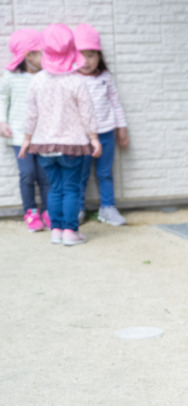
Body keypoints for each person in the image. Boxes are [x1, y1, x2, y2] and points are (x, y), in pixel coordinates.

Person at [20, 23, 100, 246]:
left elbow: (30, 113)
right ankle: (70, 232)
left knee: (55, 188)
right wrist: (94, 138)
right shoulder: (76, 81)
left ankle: (56, 230)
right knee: (71, 189)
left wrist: (27, 139)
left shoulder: (37, 81)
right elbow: (87, 113)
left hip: (44, 146)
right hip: (72, 145)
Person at [73, 23, 128, 226]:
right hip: (81, 137)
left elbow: (116, 104)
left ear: (99, 56)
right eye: (81, 55)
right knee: (80, 175)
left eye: (91, 55)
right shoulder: (71, 79)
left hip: (106, 133)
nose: (86, 61)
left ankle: (108, 207)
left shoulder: (105, 78)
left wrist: (122, 129)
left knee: (105, 173)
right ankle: (77, 208)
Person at [0, 28, 50, 231]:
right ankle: (30, 211)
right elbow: (2, 98)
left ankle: (48, 211)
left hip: (44, 136)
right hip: (20, 136)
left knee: (45, 175)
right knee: (27, 174)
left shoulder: (46, 75)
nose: (46, 57)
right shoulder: (10, 76)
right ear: (29, 56)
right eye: (42, 53)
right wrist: (2, 122)